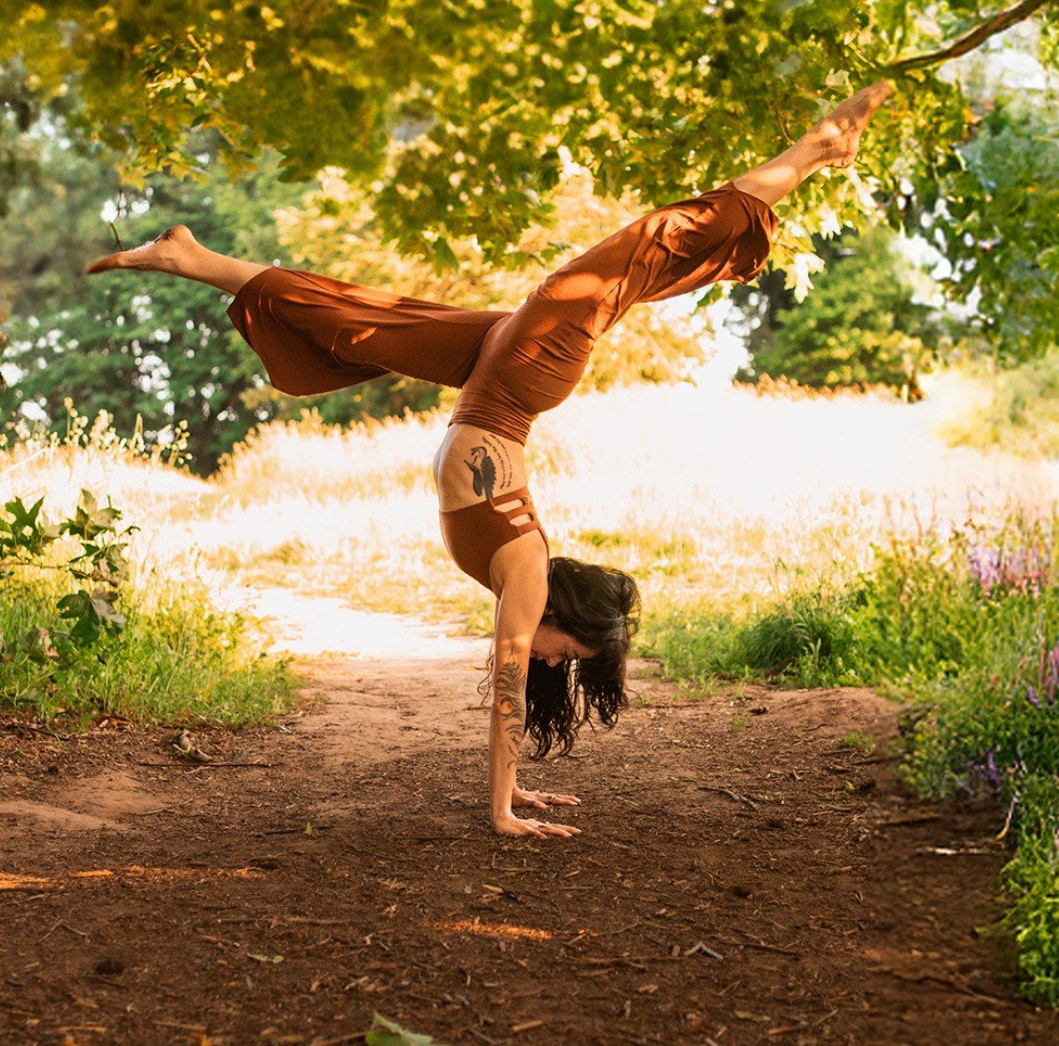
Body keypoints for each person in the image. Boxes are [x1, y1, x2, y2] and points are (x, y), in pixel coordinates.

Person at [85, 81, 892, 839]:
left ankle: (190, 258)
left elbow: (511, 683)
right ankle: (813, 150)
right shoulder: (529, 573)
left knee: (366, 323)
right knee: (646, 251)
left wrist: (515, 792)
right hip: (520, 381)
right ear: (565, 622)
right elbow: (508, 685)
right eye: (571, 655)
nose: (555, 664)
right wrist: (501, 809)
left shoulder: (524, 572)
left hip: (494, 375)